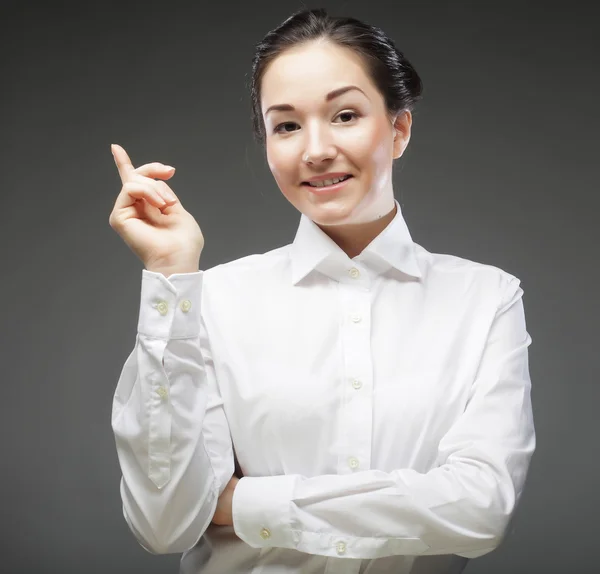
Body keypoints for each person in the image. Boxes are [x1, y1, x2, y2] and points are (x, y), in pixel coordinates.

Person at [109, 8, 535, 574]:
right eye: (286, 125)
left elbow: (481, 510)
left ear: (399, 128)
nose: (314, 150)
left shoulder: (485, 299)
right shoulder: (208, 300)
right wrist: (170, 273)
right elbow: (164, 525)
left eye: (345, 115)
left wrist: (244, 503)